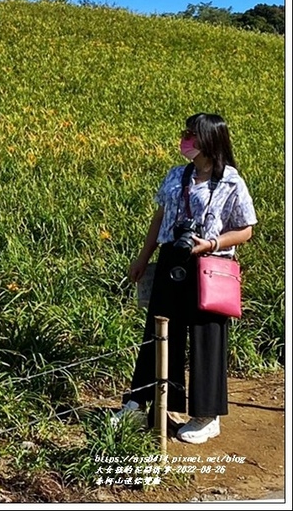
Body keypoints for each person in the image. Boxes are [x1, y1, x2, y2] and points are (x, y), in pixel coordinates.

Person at [113, 113, 256, 444]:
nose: (184, 139)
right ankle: (142, 403)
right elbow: (159, 217)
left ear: (209, 139)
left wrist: (212, 244)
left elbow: (246, 229)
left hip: (211, 263)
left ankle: (207, 415)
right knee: (159, 331)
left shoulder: (231, 180)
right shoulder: (177, 175)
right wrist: (143, 259)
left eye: (190, 134)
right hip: (171, 260)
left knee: (208, 337)